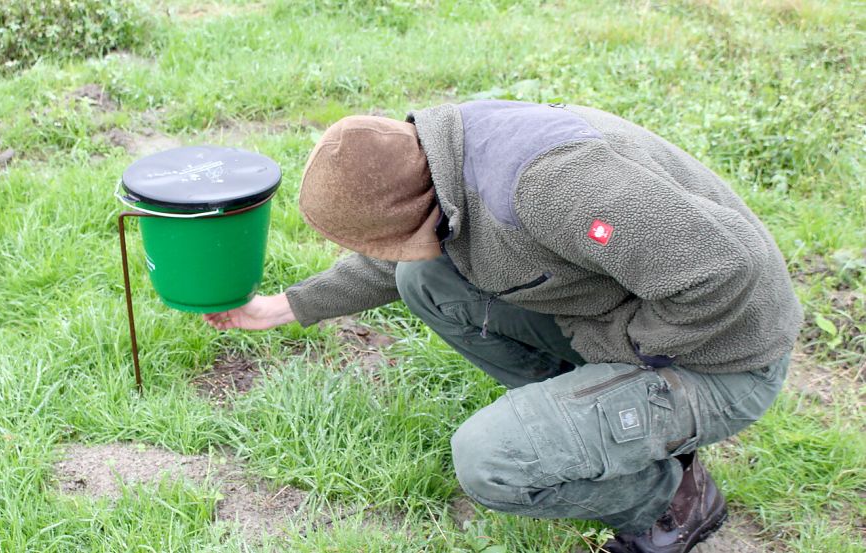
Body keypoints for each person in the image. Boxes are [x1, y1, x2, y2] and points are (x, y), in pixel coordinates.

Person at [203, 100, 802, 553]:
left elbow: (724, 274)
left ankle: (668, 499)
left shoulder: (550, 186)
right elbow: (400, 259)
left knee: (490, 460)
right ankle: (594, 418)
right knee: (424, 279)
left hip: (725, 354)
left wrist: (621, 349)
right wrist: (280, 308)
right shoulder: (440, 154)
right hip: (639, 314)